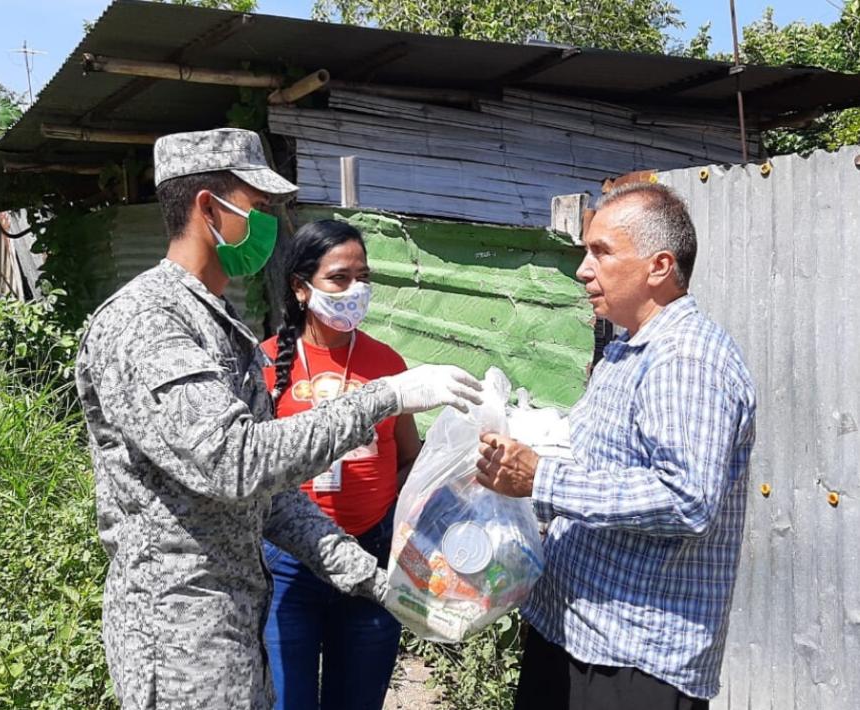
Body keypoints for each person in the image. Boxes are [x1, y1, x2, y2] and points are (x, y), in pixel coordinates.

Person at [74, 127, 483, 710]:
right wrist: (383, 397)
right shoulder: (149, 323)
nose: (269, 224)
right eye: (259, 207)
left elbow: (269, 495)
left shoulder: (213, 320)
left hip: (232, 616)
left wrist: (374, 582)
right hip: (179, 630)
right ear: (209, 208)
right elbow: (232, 462)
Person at [474, 183, 756, 710]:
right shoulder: (628, 346)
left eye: (601, 252)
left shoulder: (685, 360)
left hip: (631, 659)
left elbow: (687, 499)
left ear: (659, 266)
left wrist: (541, 480)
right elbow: (601, 461)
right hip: (575, 633)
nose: (583, 269)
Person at [259, 219, 420, 710]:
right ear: (301, 288)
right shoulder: (265, 365)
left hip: (372, 559)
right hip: (290, 565)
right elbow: (251, 469)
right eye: (340, 278)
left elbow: (410, 457)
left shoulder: (388, 366)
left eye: (363, 276)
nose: (356, 290)